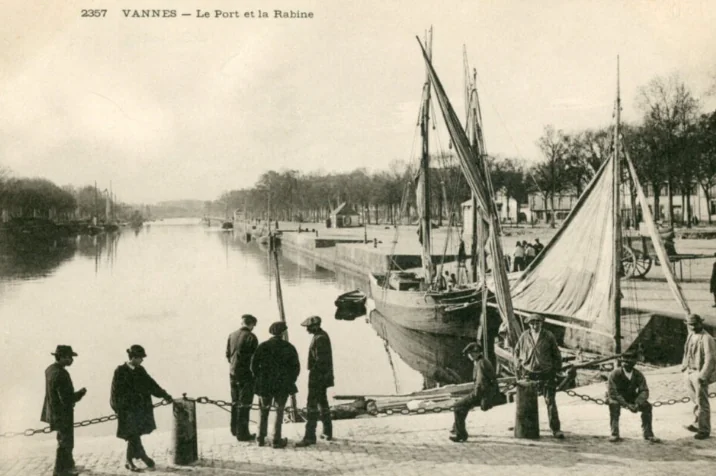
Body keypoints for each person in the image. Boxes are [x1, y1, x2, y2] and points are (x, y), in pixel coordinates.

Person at [110, 345, 172, 472]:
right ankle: (134, 459)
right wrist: (118, 409)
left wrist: (165, 395)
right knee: (133, 434)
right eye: (140, 358)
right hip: (127, 410)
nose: (142, 360)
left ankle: (139, 455)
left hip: (141, 409)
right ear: (133, 358)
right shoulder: (120, 371)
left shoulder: (140, 370)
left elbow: (151, 385)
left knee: (135, 433)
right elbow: (115, 392)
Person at [514, 313, 564, 439]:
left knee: (550, 401)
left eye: (537, 323)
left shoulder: (548, 336)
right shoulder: (524, 336)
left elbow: (556, 354)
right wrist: (518, 365)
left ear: (541, 323)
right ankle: (526, 427)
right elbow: (516, 351)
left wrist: (558, 369)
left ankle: (555, 429)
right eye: (532, 323)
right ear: (529, 325)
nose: (535, 326)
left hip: (546, 372)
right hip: (528, 372)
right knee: (527, 402)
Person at [251, 321, 301, 449]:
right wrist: (290, 381)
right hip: (282, 385)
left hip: (264, 385)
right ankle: (275, 440)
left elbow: (253, 366)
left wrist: (260, 378)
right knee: (279, 412)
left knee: (263, 411)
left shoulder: (263, 346)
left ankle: (260, 439)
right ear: (283, 332)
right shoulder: (289, 347)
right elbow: (296, 368)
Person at [41, 345, 87, 476]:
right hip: (63, 414)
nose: (71, 360)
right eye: (69, 357)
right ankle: (60, 471)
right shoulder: (61, 373)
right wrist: (81, 393)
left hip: (53, 411)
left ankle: (68, 464)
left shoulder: (49, 370)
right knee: (66, 442)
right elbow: (67, 399)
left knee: (62, 439)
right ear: (61, 357)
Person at [296, 316, 334, 447]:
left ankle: (309, 436)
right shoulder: (321, 336)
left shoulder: (320, 338)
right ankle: (327, 432)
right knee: (323, 403)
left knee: (312, 406)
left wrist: (315, 376)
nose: (307, 329)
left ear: (315, 326)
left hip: (317, 378)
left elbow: (320, 362)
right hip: (322, 377)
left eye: (308, 327)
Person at [449, 342, 497, 442]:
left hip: (480, 395)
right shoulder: (481, 362)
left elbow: (484, 383)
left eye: (471, 354)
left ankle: (461, 434)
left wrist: (483, 399)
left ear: (477, 353)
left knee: (457, 406)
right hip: (481, 393)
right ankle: (459, 431)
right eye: (469, 354)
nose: (470, 356)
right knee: (463, 407)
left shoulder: (481, 363)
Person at [606, 351, 659, 443]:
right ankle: (614, 433)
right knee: (614, 406)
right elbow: (613, 392)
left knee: (647, 407)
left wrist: (638, 403)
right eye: (625, 361)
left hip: (631, 397)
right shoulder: (614, 374)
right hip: (616, 397)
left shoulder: (638, 375)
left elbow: (644, 390)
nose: (627, 363)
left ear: (634, 363)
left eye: (631, 361)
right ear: (622, 362)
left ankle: (648, 434)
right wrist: (626, 405)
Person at [681, 313, 716, 439]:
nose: (693, 327)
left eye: (695, 324)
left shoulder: (707, 338)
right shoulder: (691, 335)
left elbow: (710, 359)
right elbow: (686, 352)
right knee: (695, 400)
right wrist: (684, 367)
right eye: (690, 325)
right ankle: (697, 423)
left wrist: (703, 376)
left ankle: (704, 430)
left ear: (701, 323)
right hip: (689, 371)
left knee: (702, 402)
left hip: (699, 373)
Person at [226, 314, 259, 441]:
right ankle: (243, 433)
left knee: (235, 402)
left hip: (232, 373)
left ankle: (234, 429)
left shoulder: (232, 335)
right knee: (245, 404)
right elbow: (254, 360)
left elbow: (228, 355)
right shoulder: (251, 337)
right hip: (246, 375)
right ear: (251, 324)